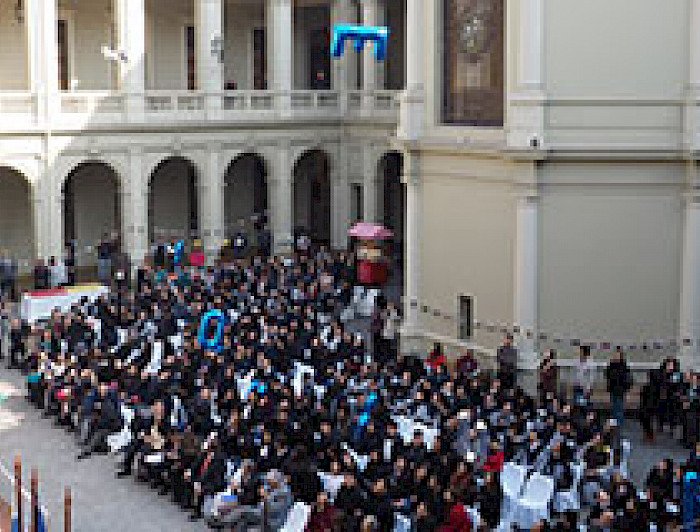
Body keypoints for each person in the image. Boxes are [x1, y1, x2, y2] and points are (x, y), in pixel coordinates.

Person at [605, 348, 632, 428]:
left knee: (619, 407)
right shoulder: (611, 365)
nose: (615, 356)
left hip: (620, 389)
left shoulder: (623, 366)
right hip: (612, 388)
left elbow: (626, 377)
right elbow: (607, 374)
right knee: (613, 407)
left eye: (617, 355)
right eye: (615, 355)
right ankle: (614, 423)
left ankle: (619, 424)